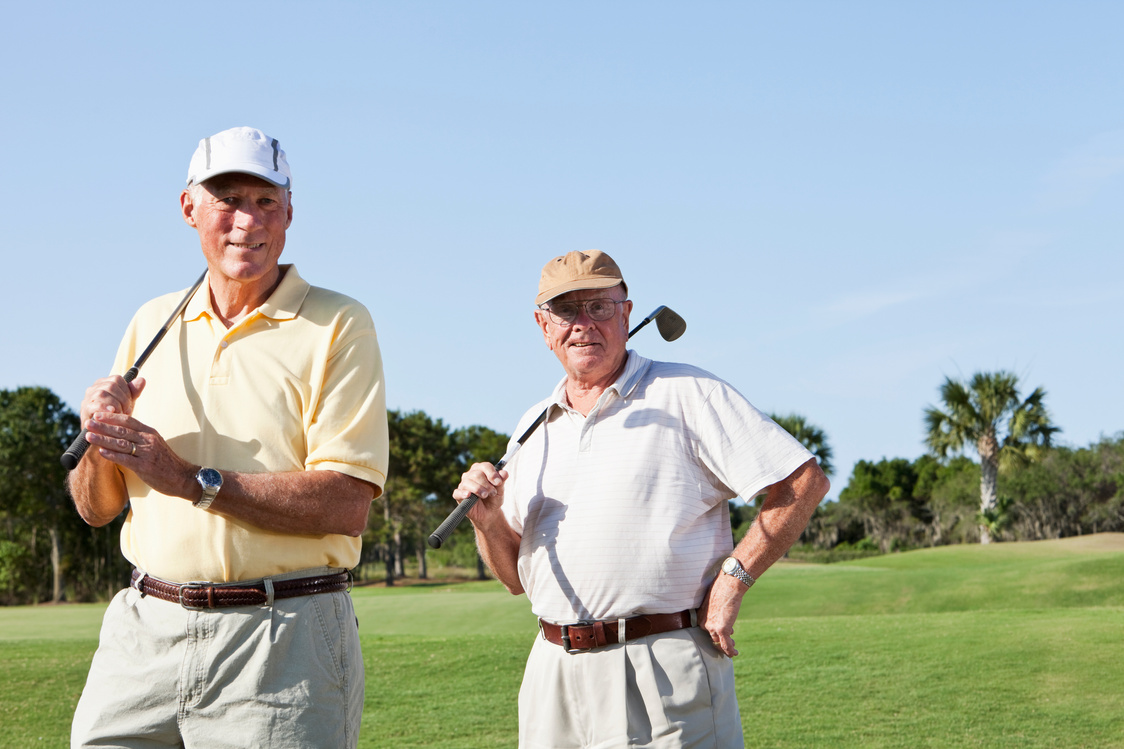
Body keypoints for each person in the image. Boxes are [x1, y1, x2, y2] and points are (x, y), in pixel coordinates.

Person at [68, 126, 388, 748]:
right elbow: (95, 508)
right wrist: (98, 440)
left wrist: (190, 481)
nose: (248, 219)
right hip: (143, 635)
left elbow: (347, 504)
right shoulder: (149, 320)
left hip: (281, 638)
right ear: (189, 209)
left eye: (266, 201)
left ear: (290, 213)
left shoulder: (339, 322)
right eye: (228, 199)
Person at [454, 250, 830, 748]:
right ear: (545, 328)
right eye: (567, 311)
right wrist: (488, 520)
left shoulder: (687, 391)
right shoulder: (532, 425)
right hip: (553, 674)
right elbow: (513, 581)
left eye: (599, 308)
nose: (583, 324)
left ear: (627, 314)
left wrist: (733, 580)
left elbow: (803, 481)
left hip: (662, 663)